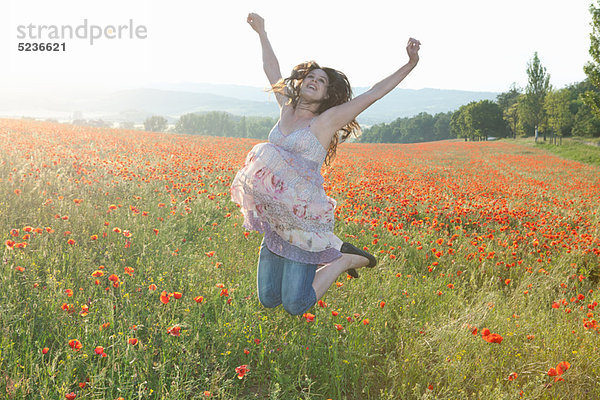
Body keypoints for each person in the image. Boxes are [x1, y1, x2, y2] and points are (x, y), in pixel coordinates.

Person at [230, 12, 420, 315]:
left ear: (327, 93)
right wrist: (262, 32)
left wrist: (409, 64)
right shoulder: (286, 108)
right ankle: (332, 256)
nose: (314, 81)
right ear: (301, 83)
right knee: (268, 299)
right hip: (277, 220)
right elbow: (271, 68)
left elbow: (373, 94)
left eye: (322, 81)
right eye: (311, 77)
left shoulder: (326, 121)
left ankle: (344, 259)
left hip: (304, 223)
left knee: (295, 304)